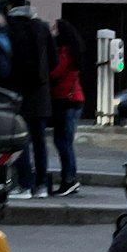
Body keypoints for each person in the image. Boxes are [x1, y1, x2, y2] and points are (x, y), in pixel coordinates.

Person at [3, 0, 57, 199]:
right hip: (41, 93)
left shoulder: (9, 27)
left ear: (9, 6)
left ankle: (24, 184)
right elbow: (54, 59)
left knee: (20, 140)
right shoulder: (42, 27)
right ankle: (41, 185)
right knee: (40, 141)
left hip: (17, 92)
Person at [49, 19, 85, 197]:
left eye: (55, 29)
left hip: (66, 100)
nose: (52, 32)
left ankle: (69, 179)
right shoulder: (73, 52)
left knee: (63, 141)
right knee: (65, 141)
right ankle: (70, 178)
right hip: (73, 100)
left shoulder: (64, 52)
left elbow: (55, 72)